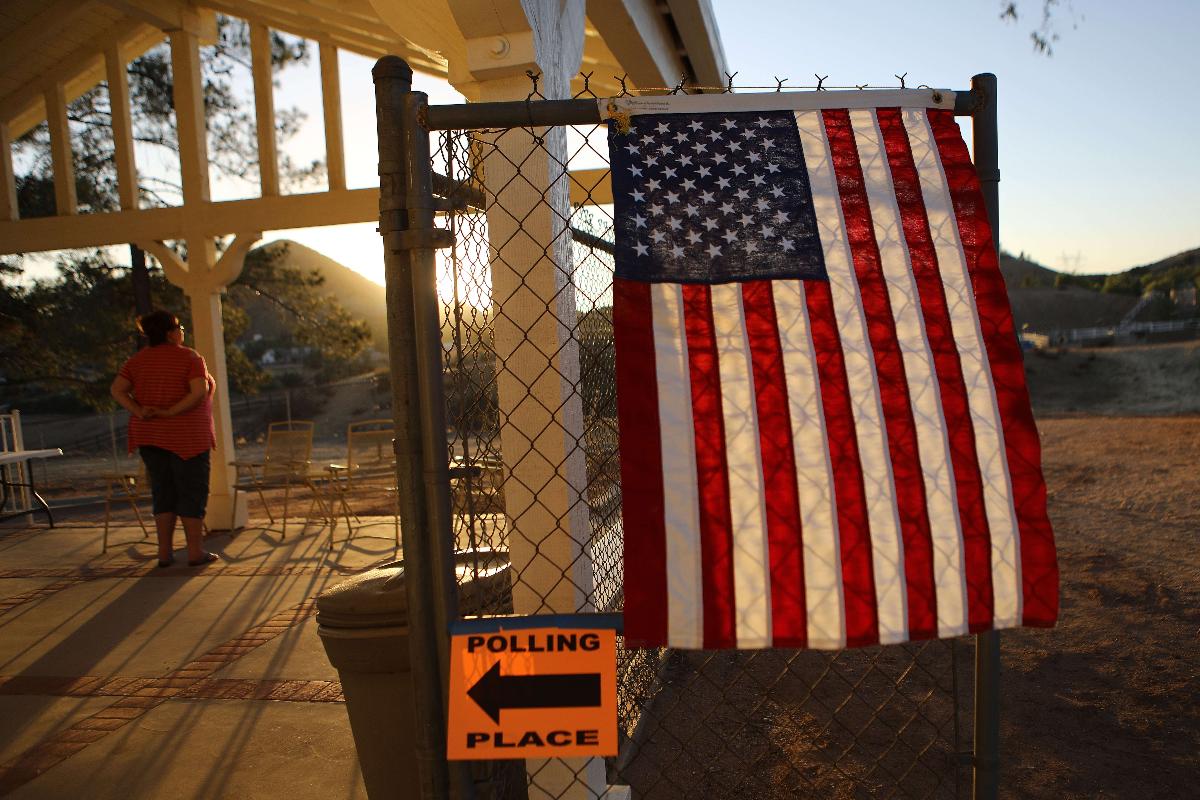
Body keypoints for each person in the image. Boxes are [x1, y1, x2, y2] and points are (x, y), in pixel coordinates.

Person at [110, 310, 218, 567]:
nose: (182, 332)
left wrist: (139, 411)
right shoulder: (190, 357)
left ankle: (164, 553)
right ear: (171, 333)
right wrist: (170, 412)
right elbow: (198, 392)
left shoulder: (137, 361)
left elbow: (117, 390)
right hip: (188, 437)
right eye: (179, 328)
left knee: (163, 492)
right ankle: (195, 552)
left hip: (151, 435)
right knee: (192, 492)